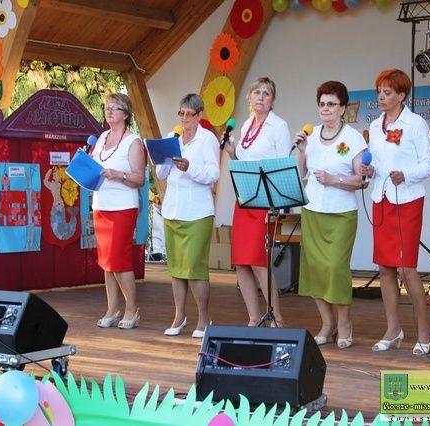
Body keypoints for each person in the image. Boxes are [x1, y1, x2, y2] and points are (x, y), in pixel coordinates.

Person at [360, 69, 430, 355]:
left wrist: (406, 175)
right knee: (385, 268)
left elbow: (429, 165)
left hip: (407, 200)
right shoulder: (375, 125)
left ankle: (424, 332)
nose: (381, 96)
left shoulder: (415, 124)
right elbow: (378, 163)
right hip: (381, 199)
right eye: (379, 91)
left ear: (402, 95)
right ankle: (393, 330)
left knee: (406, 268)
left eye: (387, 92)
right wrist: (369, 170)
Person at [294, 81, 367, 349]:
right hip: (313, 210)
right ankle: (327, 323)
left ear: (343, 108)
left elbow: (360, 180)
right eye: (322, 104)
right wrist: (302, 151)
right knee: (315, 269)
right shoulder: (311, 136)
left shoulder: (353, 137)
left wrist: (334, 179)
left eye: (332, 104)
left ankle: (345, 323)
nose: (326, 108)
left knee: (336, 268)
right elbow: (301, 174)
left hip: (341, 213)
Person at [223, 77, 291, 327]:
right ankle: (253, 317)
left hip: (265, 200)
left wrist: (276, 205)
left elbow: (283, 165)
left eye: (267, 93)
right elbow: (243, 163)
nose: (261, 97)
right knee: (242, 262)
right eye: (257, 92)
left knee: (259, 261)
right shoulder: (246, 125)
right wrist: (232, 153)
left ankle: (277, 317)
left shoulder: (278, 126)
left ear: (273, 100)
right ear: (249, 97)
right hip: (244, 198)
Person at [156, 93, 220, 339]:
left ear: (199, 115)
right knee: (176, 268)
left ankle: (204, 318)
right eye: (181, 113)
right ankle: (179, 315)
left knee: (194, 267)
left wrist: (189, 167)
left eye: (189, 114)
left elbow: (213, 174)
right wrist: (164, 159)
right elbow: (161, 174)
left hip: (197, 212)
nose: (184, 118)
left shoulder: (208, 139)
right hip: (173, 209)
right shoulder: (172, 137)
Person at [92, 93, 146, 329]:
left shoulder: (133, 141)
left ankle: (132, 309)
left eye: (115, 107)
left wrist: (119, 174)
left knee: (119, 260)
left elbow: (139, 178)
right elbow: (94, 167)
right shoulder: (102, 137)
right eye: (107, 107)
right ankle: (112, 309)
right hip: (101, 205)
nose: (109, 111)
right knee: (106, 261)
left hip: (122, 206)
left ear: (125, 114)